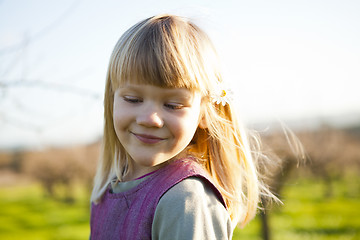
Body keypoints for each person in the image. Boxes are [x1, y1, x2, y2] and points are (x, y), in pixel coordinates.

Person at [90, 14, 273, 240]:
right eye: (132, 99)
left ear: (206, 113)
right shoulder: (108, 191)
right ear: (112, 100)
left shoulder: (185, 201)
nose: (150, 118)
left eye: (173, 105)